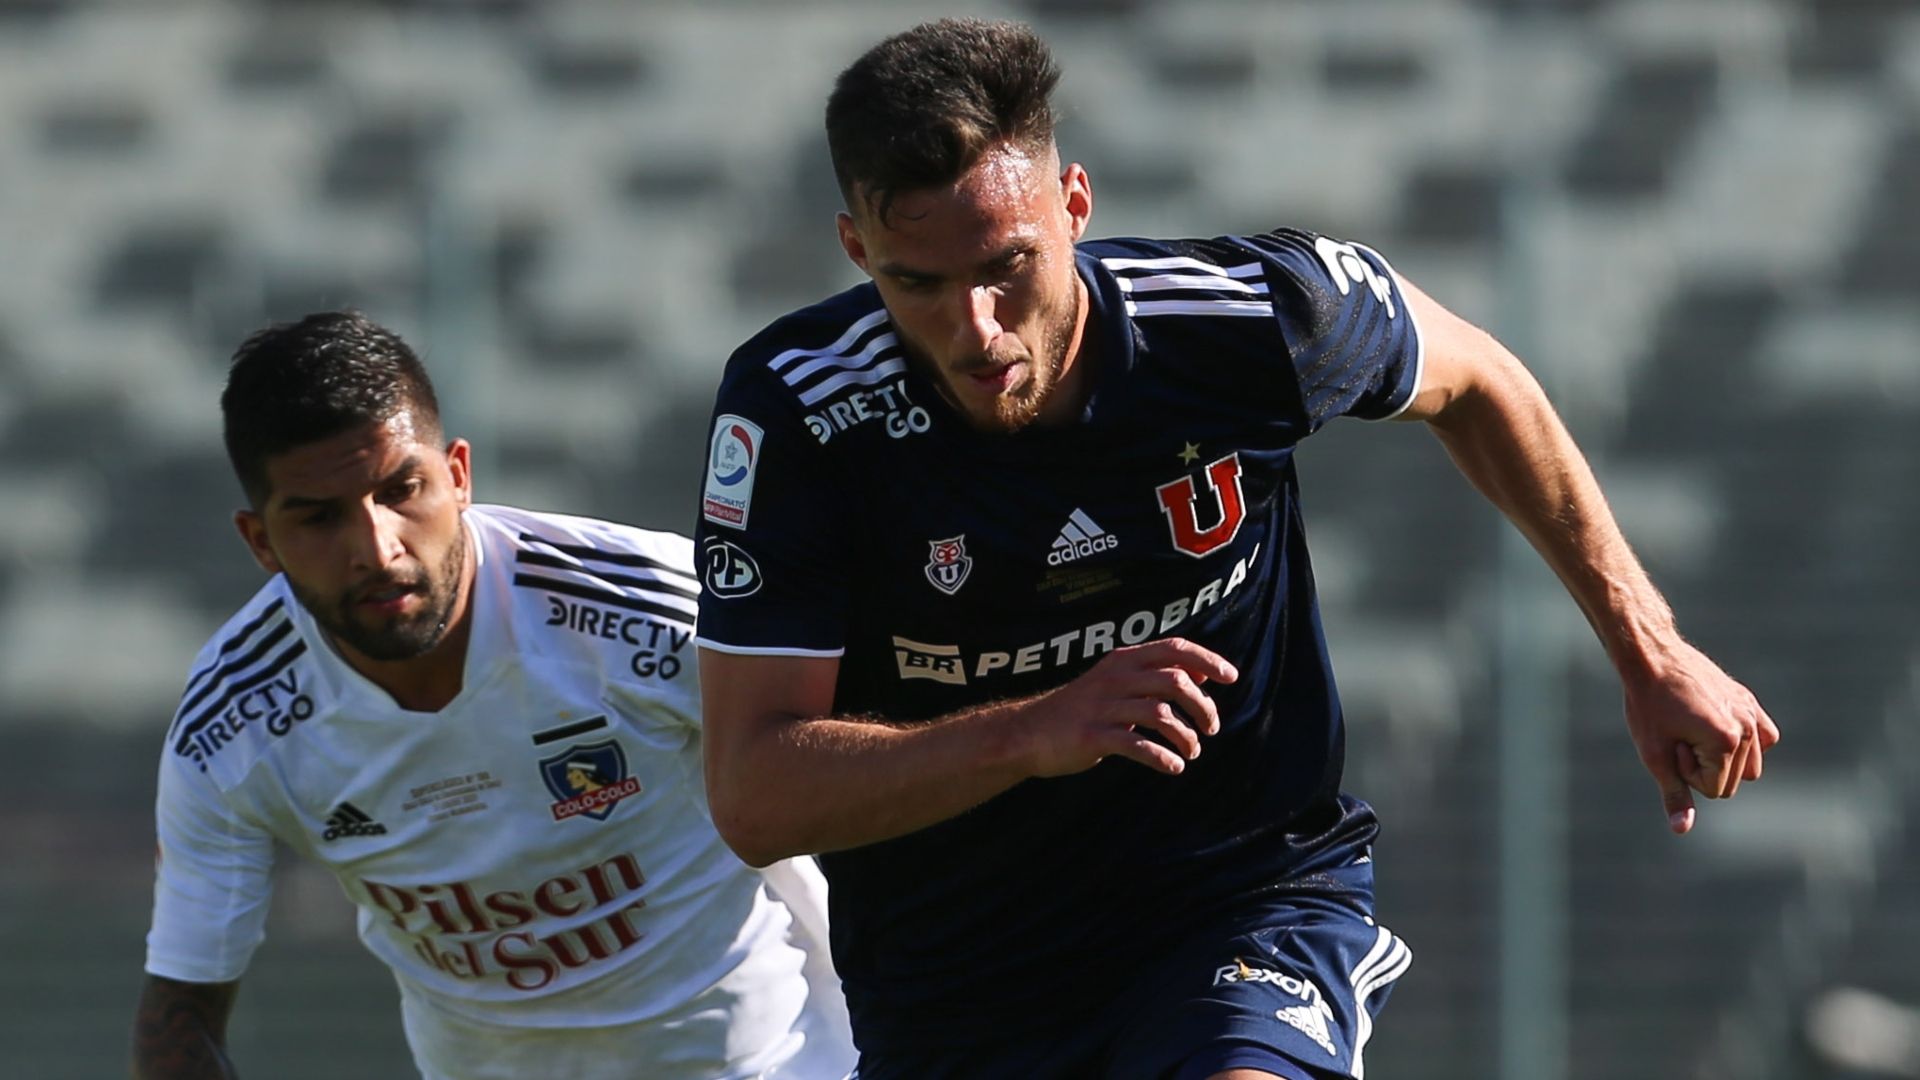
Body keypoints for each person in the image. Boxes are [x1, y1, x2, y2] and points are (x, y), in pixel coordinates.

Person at [690, 18, 1779, 1080]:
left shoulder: (1250, 320)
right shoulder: (796, 416)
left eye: (1006, 266)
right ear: (854, 248)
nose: (975, 328)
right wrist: (1034, 729)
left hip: (1240, 904)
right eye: (914, 283)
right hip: (956, 982)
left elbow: (1481, 380)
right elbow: (756, 793)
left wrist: (1652, 651)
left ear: (1076, 206)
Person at [132, 312, 854, 1080]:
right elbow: (182, 1016)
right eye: (318, 517)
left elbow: (873, 769)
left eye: (401, 489)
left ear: (459, 476)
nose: (377, 549)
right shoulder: (233, 728)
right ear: (261, 543)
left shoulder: (651, 613)